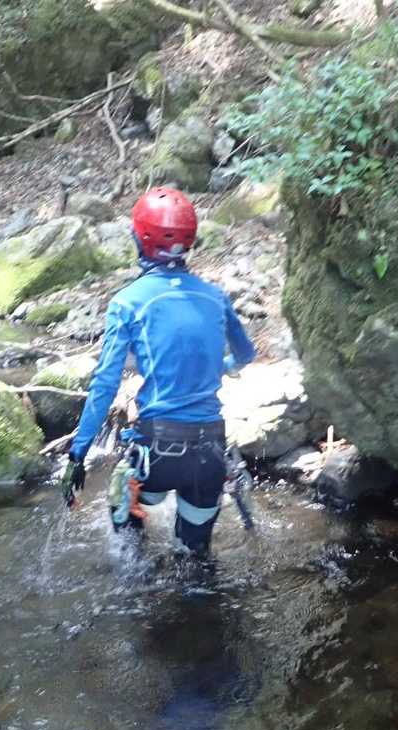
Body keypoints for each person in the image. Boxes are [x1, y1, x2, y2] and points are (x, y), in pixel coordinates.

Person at [61, 187, 257, 555]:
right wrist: (223, 367)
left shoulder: (127, 302)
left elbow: (105, 384)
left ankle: (135, 574)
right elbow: (246, 354)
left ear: (140, 239)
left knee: (124, 516)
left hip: (159, 453)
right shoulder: (215, 297)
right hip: (210, 451)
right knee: (195, 559)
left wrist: (77, 454)